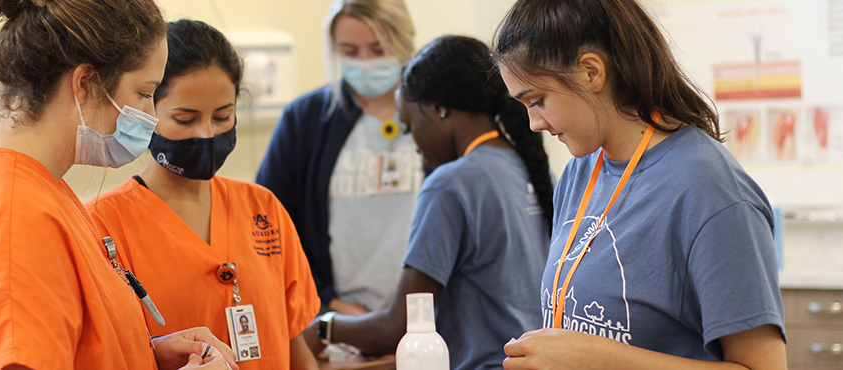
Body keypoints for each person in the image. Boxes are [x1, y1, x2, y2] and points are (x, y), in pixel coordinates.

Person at [0, 1, 237, 370]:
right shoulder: (14, 218)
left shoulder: (26, 182)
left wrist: (143, 354)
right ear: (85, 83)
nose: (149, 115)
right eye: (144, 93)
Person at [491, 0, 786, 368]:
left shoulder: (710, 190)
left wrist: (597, 359)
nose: (534, 124)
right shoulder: (580, 173)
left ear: (590, 72)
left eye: (537, 101)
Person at [303, 35, 554, 370]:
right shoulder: (536, 171)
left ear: (439, 110)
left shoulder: (449, 184)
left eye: (410, 126)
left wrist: (324, 327)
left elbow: (399, 326)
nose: (413, 142)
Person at [85, 19, 320, 370]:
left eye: (223, 116)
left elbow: (296, 348)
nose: (207, 134)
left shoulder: (263, 208)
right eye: (185, 119)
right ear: (146, 112)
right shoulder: (103, 225)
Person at [256, 0, 419, 315]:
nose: (365, 63)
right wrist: (325, 301)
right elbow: (267, 225)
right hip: (338, 320)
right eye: (350, 51)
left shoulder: (435, 115)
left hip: (429, 317)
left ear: (404, 43)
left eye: (378, 49)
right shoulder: (306, 119)